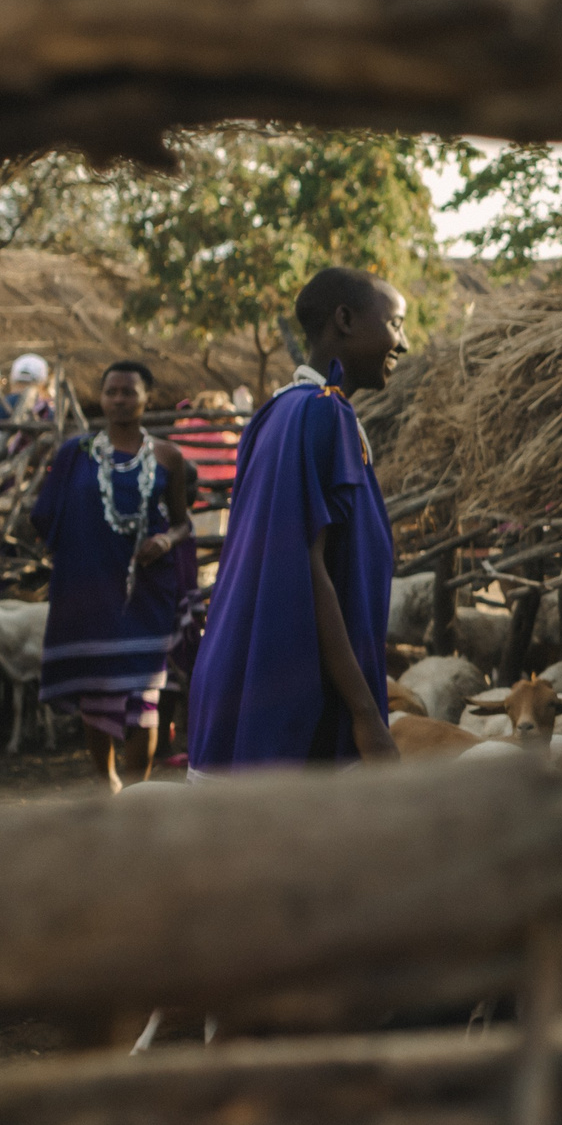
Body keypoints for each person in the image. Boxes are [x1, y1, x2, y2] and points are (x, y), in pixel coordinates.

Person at [185, 268, 408, 772]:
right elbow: (309, 570)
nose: (405, 343)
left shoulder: (278, 412)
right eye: (396, 324)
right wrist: (367, 716)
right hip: (295, 693)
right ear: (345, 320)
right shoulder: (322, 414)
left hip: (256, 676)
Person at [30, 360, 197, 790]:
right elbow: (45, 514)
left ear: (148, 399)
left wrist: (164, 541)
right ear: (102, 397)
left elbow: (183, 523)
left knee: (144, 696)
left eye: (129, 392)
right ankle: (106, 783)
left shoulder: (168, 457)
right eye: (112, 392)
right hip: (89, 592)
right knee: (97, 691)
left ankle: (136, 790)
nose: (119, 400)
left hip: (145, 594)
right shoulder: (76, 453)